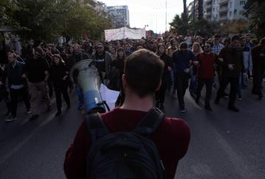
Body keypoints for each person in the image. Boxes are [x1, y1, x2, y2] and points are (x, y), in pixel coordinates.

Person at [64, 49, 190, 179]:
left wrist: (91, 123)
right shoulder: (179, 130)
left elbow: (71, 171)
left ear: (124, 81)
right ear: (158, 85)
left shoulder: (90, 127)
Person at [215, 35, 245, 112]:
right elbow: (218, 60)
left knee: (234, 90)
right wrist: (227, 65)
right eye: (235, 42)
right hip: (226, 73)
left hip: (236, 73)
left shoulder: (239, 50)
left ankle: (231, 105)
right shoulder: (224, 49)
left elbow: (241, 61)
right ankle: (218, 98)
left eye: (238, 43)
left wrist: (244, 71)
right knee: (222, 87)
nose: (236, 44)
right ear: (231, 41)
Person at [24, 47, 51, 120]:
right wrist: (26, 76)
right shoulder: (29, 60)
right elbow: (26, 70)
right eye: (35, 53)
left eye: (37, 54)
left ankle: (48, 105)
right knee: (33, 98)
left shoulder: (43, 60)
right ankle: (34, 113)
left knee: (45, 95)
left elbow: (48, 71)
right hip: (32, 82)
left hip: (41, 81)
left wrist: (45, 81)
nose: (36, 55)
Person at [172, 42, 198, 113]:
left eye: (184, 48)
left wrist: (190, 68)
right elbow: (173, 63)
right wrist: (175, 70)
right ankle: (182, 104)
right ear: (179, 47)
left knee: (184, 87)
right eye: (182, 48)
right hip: (178, 74)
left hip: (186, 74)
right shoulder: (175, 53)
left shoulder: (189, 52)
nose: (183, 50)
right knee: (180, 88)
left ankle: (181, 98)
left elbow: (195, 61)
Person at [5, 52, 31, 122]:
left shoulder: (22, 65)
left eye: (10, 58)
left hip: (22, 85)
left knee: (26, 98)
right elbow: (4, 75)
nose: (9, 59)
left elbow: (28, 70)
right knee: (13, 102)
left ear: (15, 58)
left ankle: (28, 108)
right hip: (13, 87)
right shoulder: (7, 66)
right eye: (8, 58)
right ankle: (14, 115)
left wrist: (25, 74)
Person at [195, 41, 217, 111]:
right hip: (201, 76)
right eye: (205, 46)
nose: (206, 47)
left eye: (208, 46)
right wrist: (195, 64)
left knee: (209, 91)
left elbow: (218, 63)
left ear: (211, 48)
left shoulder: (214, 56)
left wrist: (217, 65)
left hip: (210, 76)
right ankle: (197, 97)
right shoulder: (200, 55)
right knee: (199, 89)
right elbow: (194, 62)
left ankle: (207, 105)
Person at [155, 43, 172, 110]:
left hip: (164, 75)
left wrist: (170, 67)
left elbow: (171, 64)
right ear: (158, 49)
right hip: (157, 75)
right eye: (160, 48)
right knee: (157, 89)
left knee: (163, 89)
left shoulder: (167, 57)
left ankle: (162, 102)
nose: (161, 49)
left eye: (162, 48)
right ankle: (157, 100)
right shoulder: (155, 56)